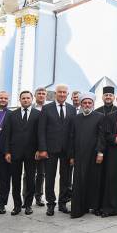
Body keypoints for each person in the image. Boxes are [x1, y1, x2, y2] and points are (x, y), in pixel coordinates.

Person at [38, 84, 76, 215]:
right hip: (50, 149)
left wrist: (72, 153)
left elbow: (73, 132)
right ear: (55, 93)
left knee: (66, 178)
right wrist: (42, 149)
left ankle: (62, 203)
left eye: (64, 92)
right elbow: (41, 130)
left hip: (66, 150)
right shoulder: (47, 108)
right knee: (50, 177)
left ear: (67, 94)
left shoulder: (72, 109)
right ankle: (50, 204)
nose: (62, 94)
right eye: (59, 92)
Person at [68, 92, 105, 218]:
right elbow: (71, 137)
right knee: (79, 181)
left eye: (89, 103)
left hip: (94, 155)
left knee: (94, 180)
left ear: (93, 104)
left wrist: (100, 152)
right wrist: (72, 155)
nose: (87, 105)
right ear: (81, 104)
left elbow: (102, 136)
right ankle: (80, 207)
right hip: (79, 156)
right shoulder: (75, 118)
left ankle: (94, 206)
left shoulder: (100, 116)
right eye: (85, 103)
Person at [3, 90, 40, 215]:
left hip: (32, 153)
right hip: (15, 153)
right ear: (20, 100)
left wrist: (39, 149)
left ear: (32, 99)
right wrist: (7, 151)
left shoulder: (38, 114)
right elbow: (7, 134)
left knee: (30, 180)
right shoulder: (12, 115)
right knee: (15, 180)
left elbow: (40, 134)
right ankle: (17, 206)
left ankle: (28, 205)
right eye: (23, 98)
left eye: (28, 98)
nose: (25, 100)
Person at [32, 87, 47, 207]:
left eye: (43, 94)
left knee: (41, 173)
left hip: (43, 146)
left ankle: (38, 196)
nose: (41, 95)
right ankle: (26, 196)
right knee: (28, 174)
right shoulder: (29, 108)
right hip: (30, 147)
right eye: (39, 94)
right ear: (35, 95)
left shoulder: (48, 109)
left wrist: (42, 148)